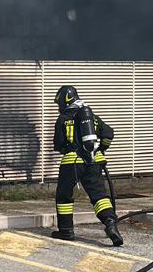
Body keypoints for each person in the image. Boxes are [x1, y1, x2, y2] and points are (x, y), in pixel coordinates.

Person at [51, 85, 123, 246]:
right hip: (93, 161)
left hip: (71, 163)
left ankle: (66, 231)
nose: (59, 107)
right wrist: (101, 149)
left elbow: (58, 144)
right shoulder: (92, 117)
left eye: (59, 103)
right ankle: (111, 224)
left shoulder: (63, 118)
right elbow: (108, 134)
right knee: (99, 196)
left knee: (64, 196)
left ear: (65, 100)